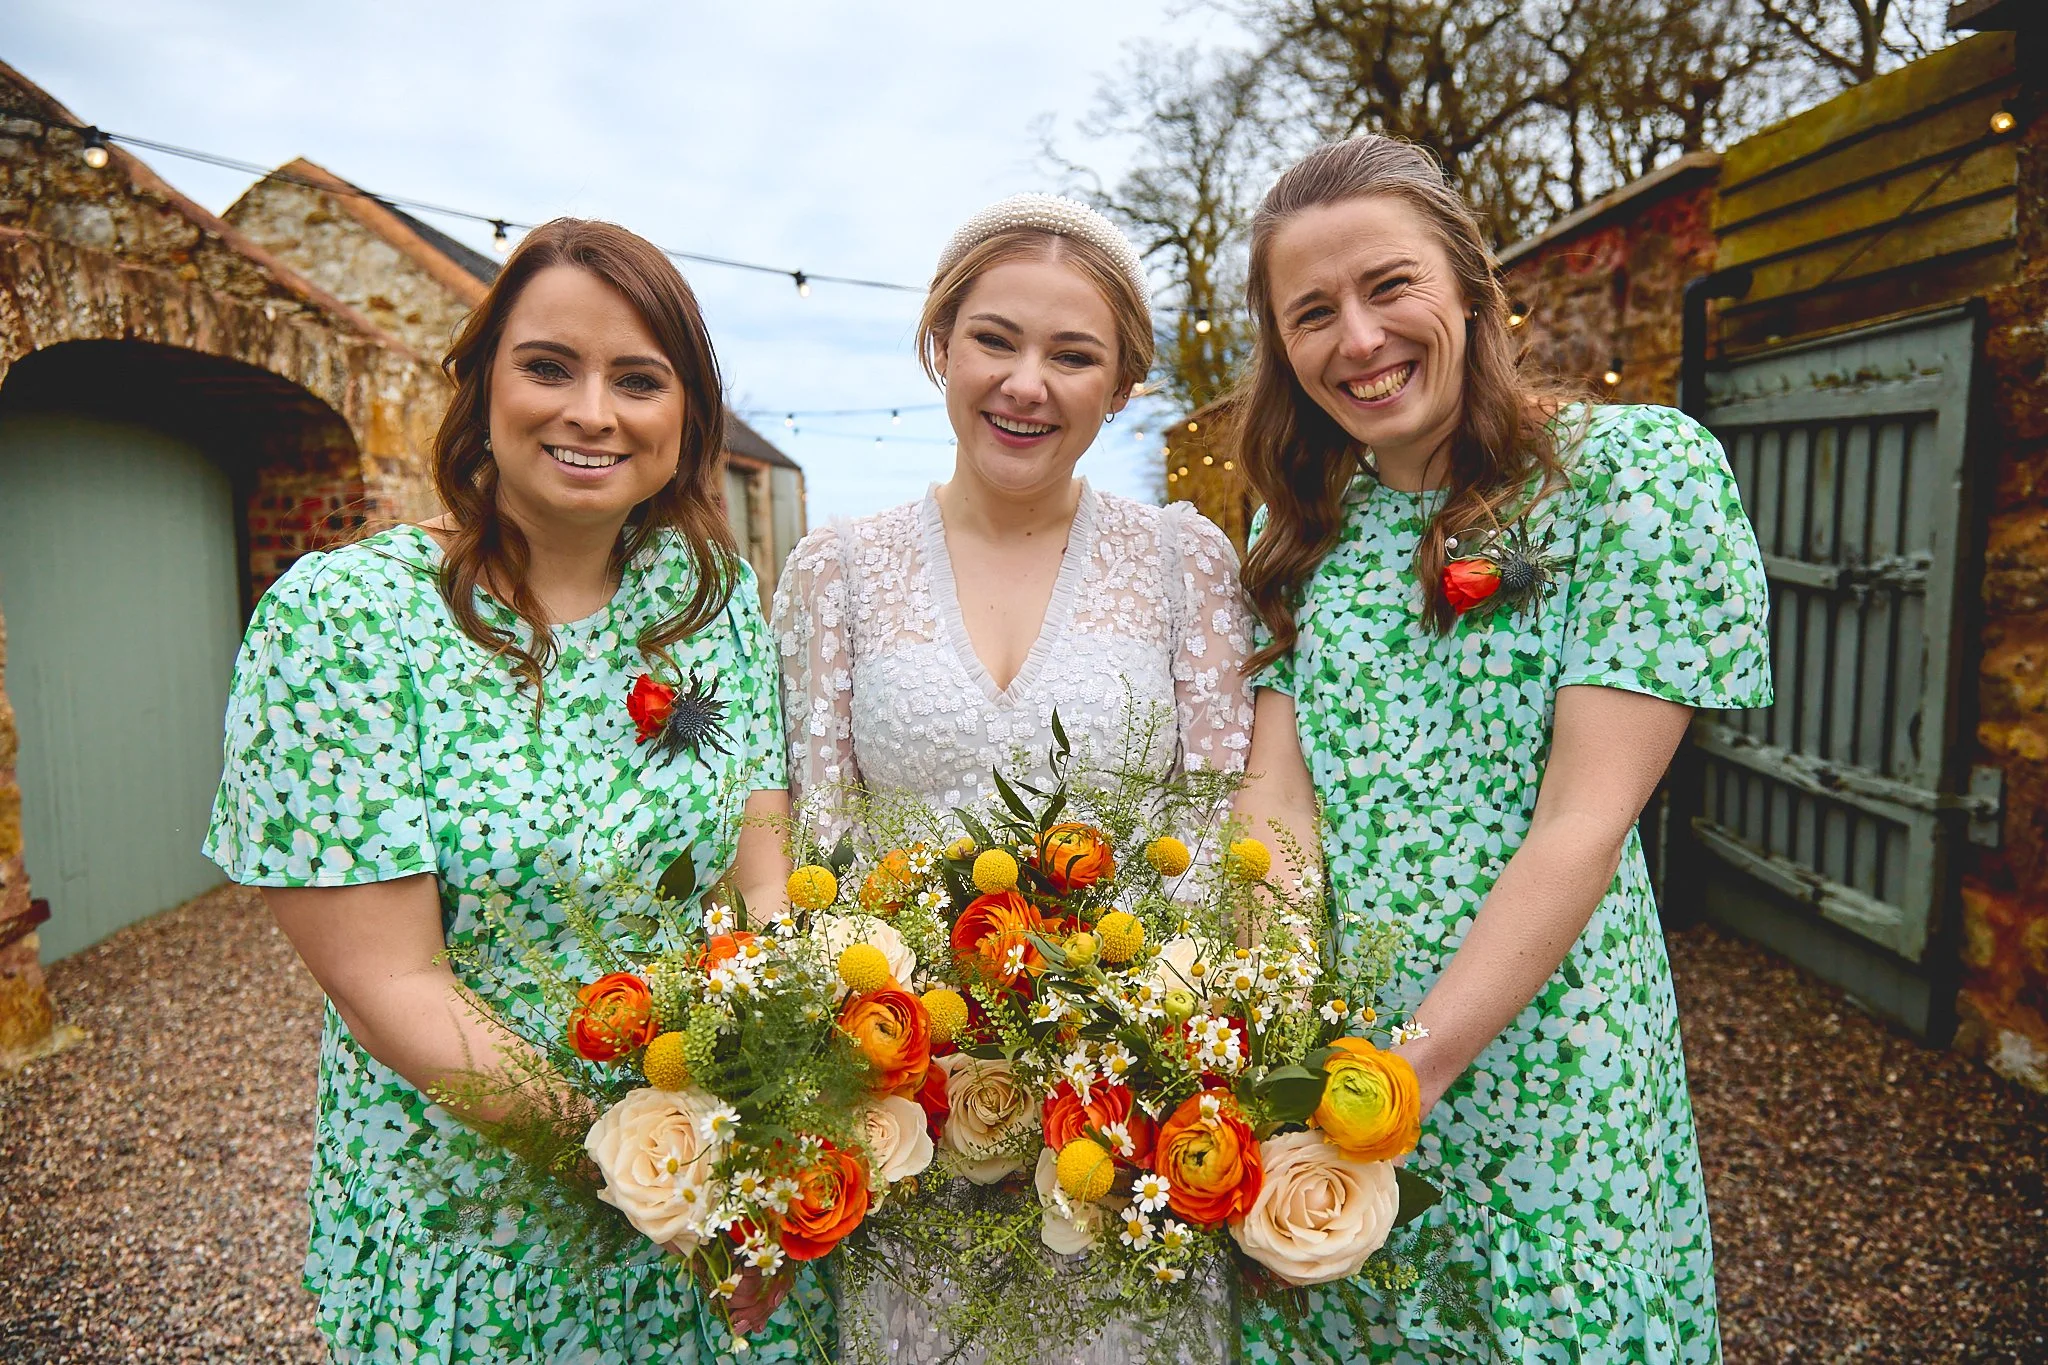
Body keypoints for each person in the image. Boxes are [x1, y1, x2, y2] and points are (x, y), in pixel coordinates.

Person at [205, 219, 821, 1363]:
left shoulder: (710, 594)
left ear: (684, 414)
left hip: (717, 1186)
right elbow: (393, 981)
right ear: (481, 383)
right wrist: (654, 1179)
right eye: (548, 367)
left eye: (638, 380)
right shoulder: (345, 622)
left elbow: (759, 868)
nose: (592, 411)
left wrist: (788, 1125)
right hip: (477, 1218)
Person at [1230, 136, 1771, 1365]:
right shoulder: (1296, 523)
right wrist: (1269, 1042)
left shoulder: (1633, 477)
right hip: (1330, 1047)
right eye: (1310, 313)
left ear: (1470, 290)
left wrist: (1407, 1078)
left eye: (1388, 286)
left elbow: (1583, 820)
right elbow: (1275, 799)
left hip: (1541, 1050)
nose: (1356, 340)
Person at [771, 194, 1255, 1361]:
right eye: (994, 339)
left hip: (1120, 1126)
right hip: (900, 1123)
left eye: (1072, 354)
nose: (1025, 383)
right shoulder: (836, 569)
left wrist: (1145, 1050)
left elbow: (1220, 833)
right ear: (940, 344)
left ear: (1123, 383)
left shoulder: (1183, 563)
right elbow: (814, 850)